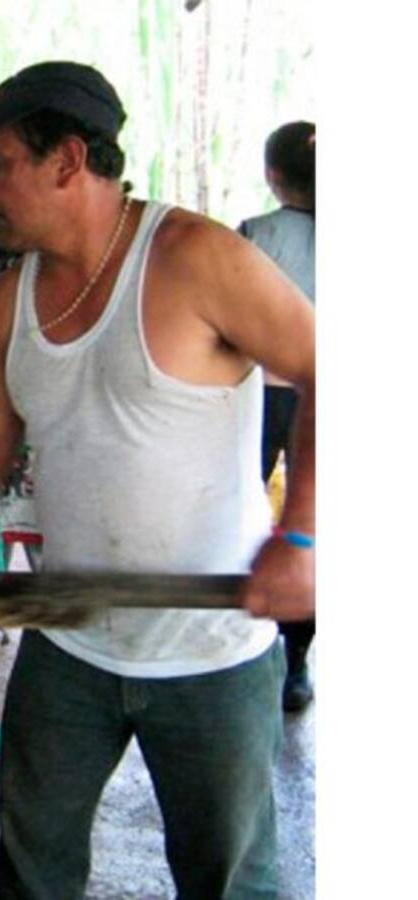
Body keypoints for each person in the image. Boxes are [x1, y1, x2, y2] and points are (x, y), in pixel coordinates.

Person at [0, 61, 316, 900]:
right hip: (68, 638)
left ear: (67, 161)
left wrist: (301, 537)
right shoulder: (7, 300)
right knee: (30, 875)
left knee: (230, 881)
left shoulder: (194, 255)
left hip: (209, 652)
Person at [238, 120, 317, 713]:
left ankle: (249, 645)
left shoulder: (253, 236)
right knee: (310, 529)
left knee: (246, 514)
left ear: (273, 176)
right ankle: (296, 665)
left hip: (263, 398)